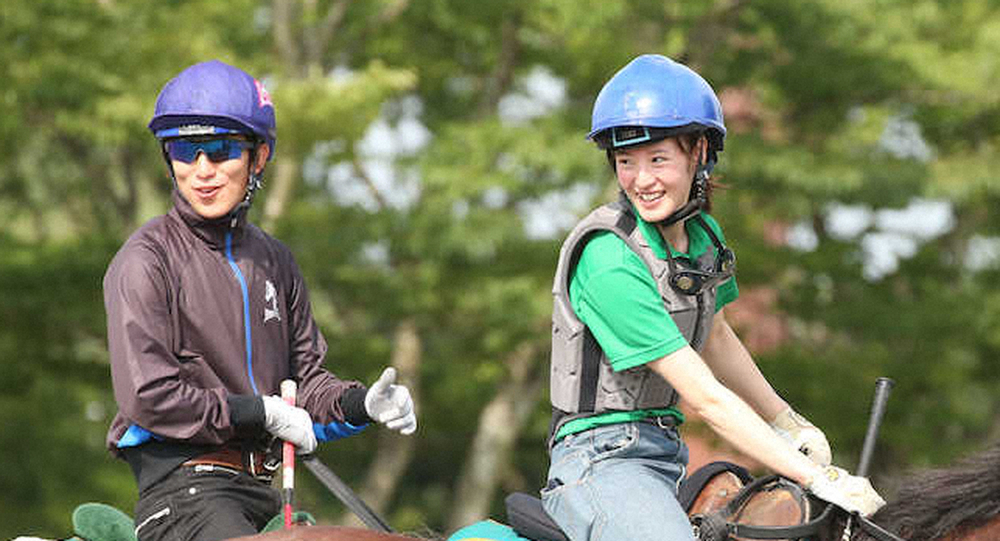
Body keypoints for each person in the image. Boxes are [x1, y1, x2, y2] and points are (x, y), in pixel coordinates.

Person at [541, 54, 884, 541]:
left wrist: (788, 422)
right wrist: (817, 478)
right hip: (600, 462)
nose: (642, 180)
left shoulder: (703, 236)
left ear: (699, 152)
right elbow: (706, 398)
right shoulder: (607, 259)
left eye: (658, 159)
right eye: (626, 162)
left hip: (666, 452)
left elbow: (716, 336)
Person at [103, 60, 417, 541]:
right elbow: (150, 398)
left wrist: (361, 405)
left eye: (221, 150)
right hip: (183, 497)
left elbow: (306, 387)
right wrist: (261, 412)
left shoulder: (276, 260)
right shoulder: (145, 260)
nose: (202, 171)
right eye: (186, 151)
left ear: (259, 156)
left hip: (265, 491)